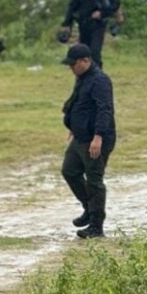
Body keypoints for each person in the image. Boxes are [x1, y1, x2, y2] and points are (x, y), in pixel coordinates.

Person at [60, 43, 116, 239]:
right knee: (69, 171)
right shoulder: (82, 78)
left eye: (73, 64)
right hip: (80, 137)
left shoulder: (100, 81)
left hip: (96, 139)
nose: (71, 69)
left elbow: (104, 110)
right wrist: (74, 129)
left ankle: (96, 226)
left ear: (86, 61)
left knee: (94, 181)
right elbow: (79, 105)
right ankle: (88, 208)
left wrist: (98, 137)